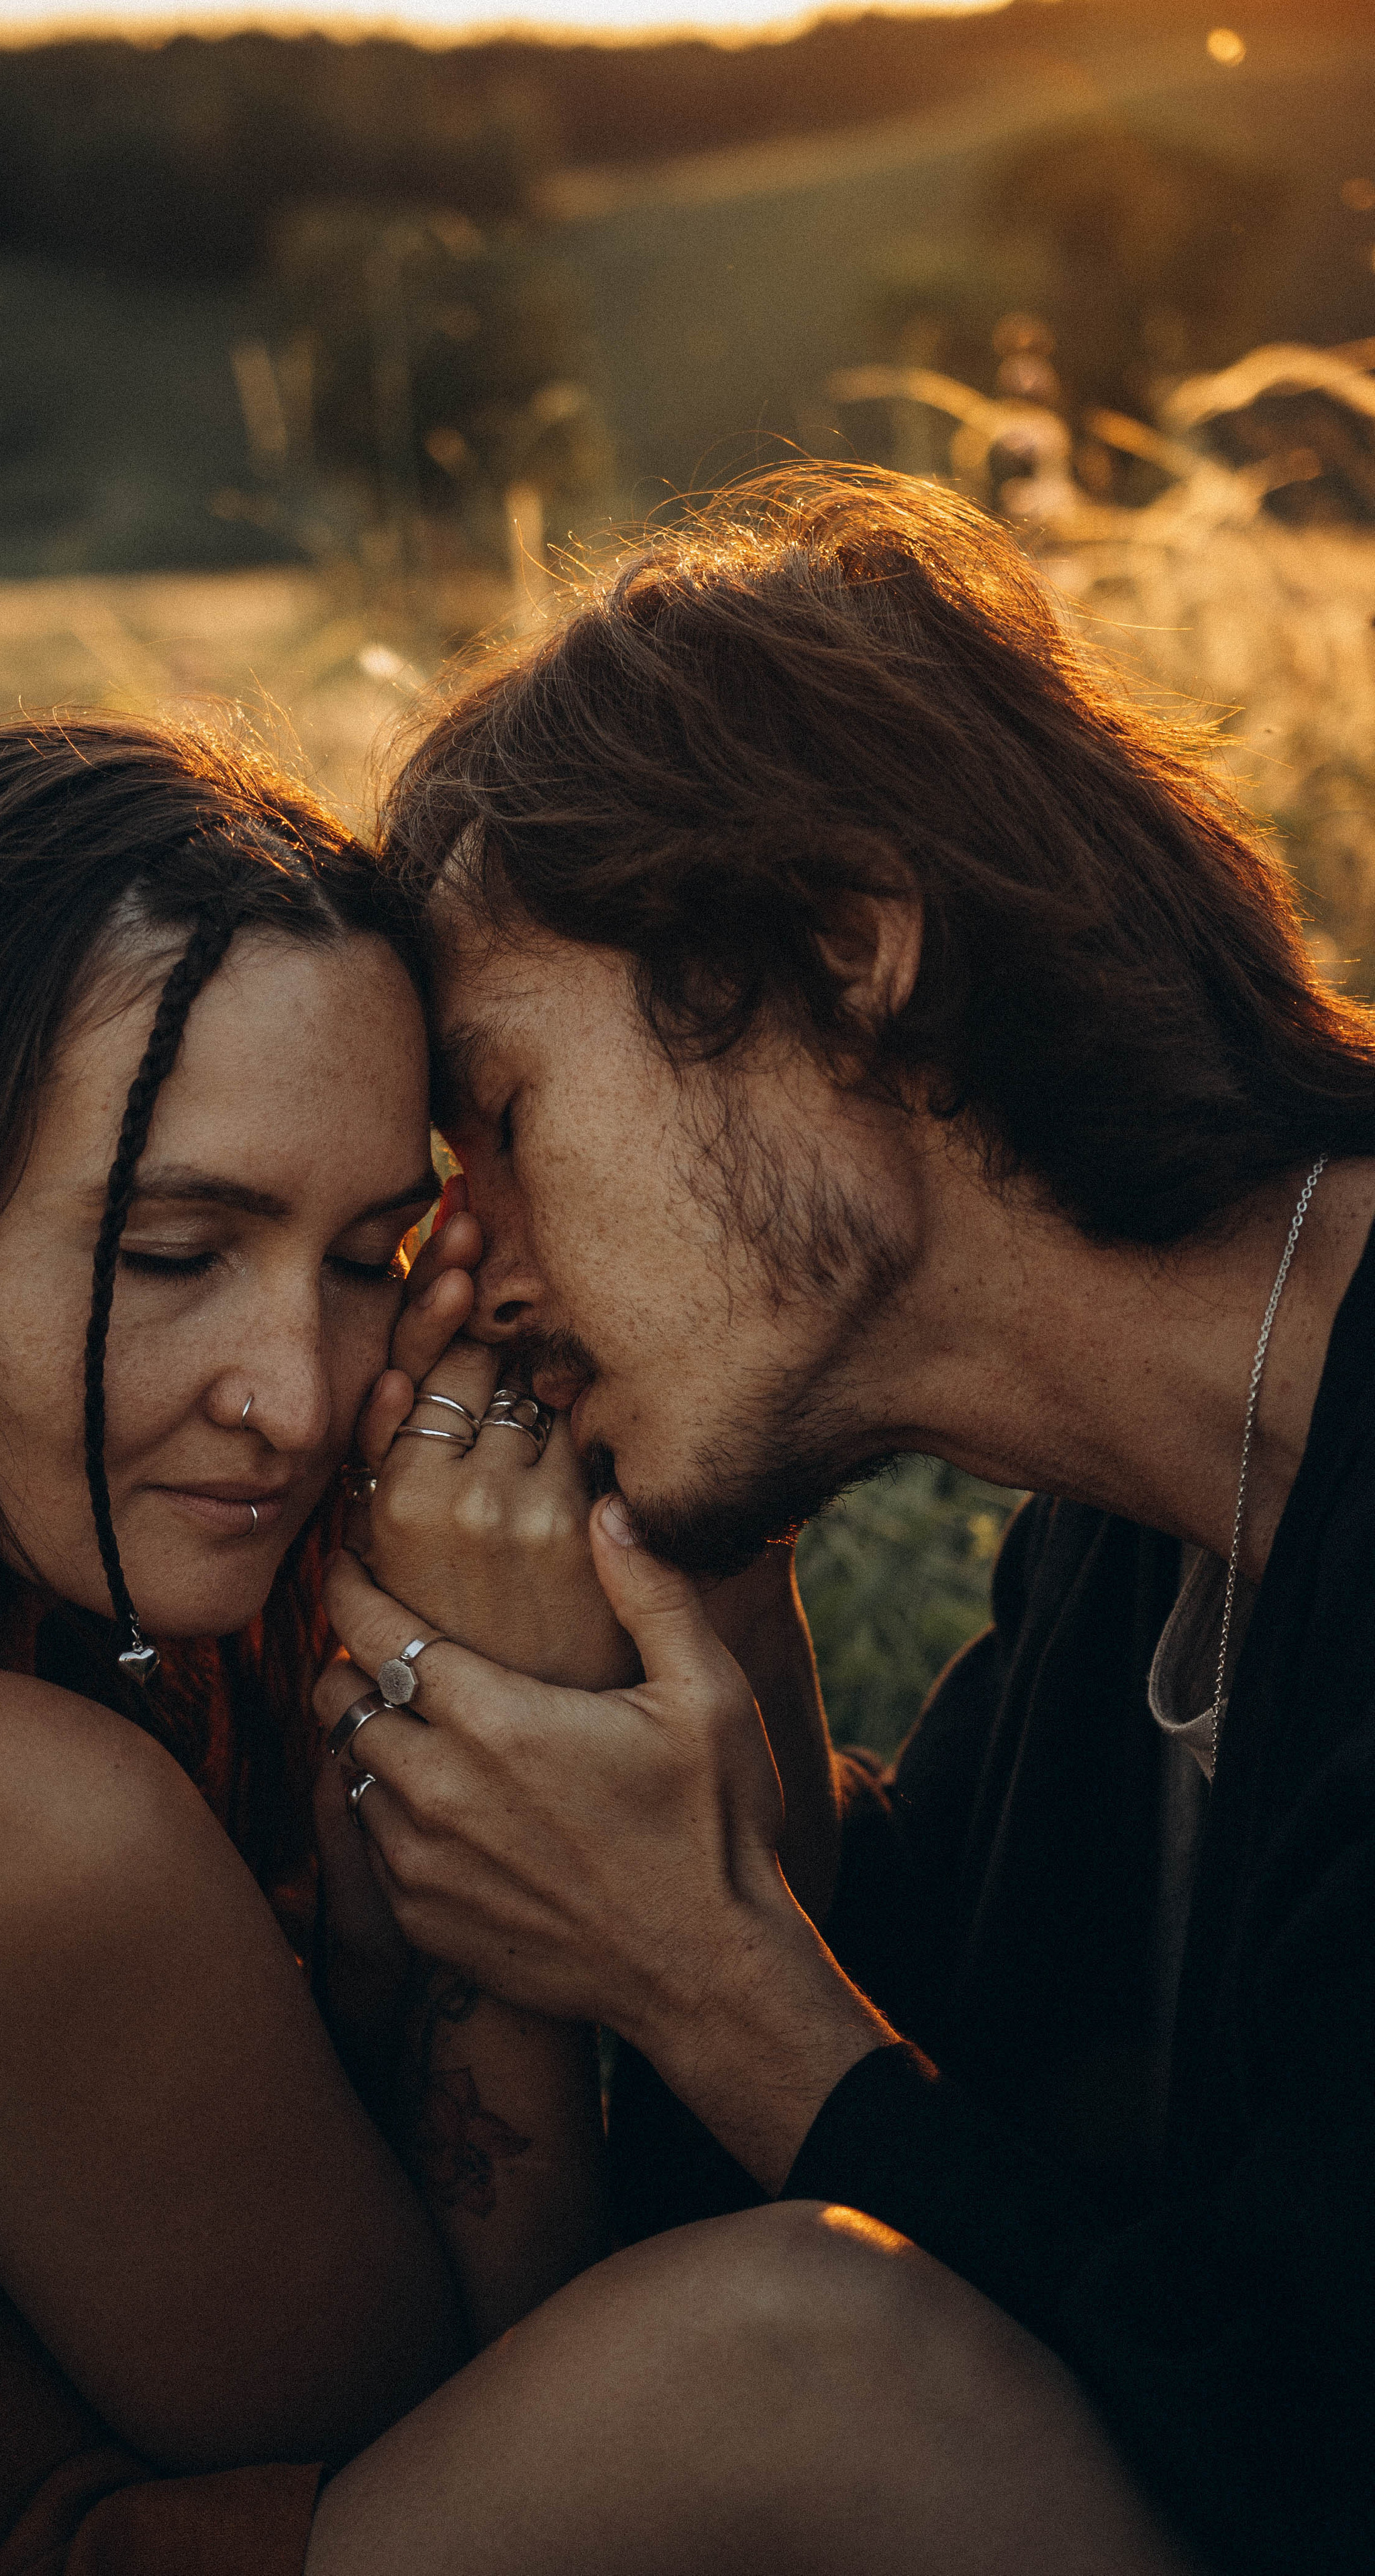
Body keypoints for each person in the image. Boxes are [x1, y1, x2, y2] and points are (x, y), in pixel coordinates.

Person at [0, 703, 1165, 2576]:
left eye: (374, 1257)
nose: (294, 1397)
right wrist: (493, 1781)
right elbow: (502, 2418)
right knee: (815, 2355)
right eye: (170, 1253)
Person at [316, 468, 1375, 2576]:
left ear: (845, 953)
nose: (478, 1267)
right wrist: (718, 1636)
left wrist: (712, 1983)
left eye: (504, 1120)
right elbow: (964, 2132)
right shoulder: (1142, 1534)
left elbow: (1307, 2450)